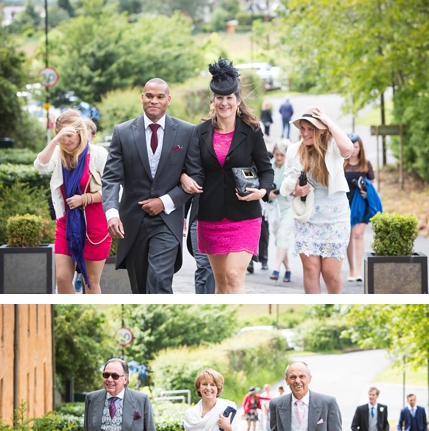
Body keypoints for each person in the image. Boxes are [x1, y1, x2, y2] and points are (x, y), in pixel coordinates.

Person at [182, 58, 274, 294]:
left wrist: (262, 191)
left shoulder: (252, 131)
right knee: (221, 282)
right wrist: (184, 176)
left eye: (229, 98)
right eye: (219, 98)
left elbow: (266, 169)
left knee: (234, 276)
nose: (224, 103)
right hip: (210, 216)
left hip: (244, 214)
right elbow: (192, 168)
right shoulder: (199, 132)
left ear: (238, 100)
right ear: (213, 101)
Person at [102, 78, 195, 294]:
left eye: (160, 96)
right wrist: (112, 214)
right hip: (132, 223)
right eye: (149, 96)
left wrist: (164, 202)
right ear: (142, 98)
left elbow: (196, 176)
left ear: (168, 100)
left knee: (160, 281)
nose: (154, 100)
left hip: (167, 220)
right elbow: (111, 178)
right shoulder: (122, 132)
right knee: (140, 288)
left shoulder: (187, 131)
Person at [34, 109, 110, 294]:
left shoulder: (98, 153)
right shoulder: (59, 154)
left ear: (81, 132)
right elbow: (40, 166)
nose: (66, 142)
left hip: (95, 225)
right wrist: (54, 140)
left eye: (70, 136)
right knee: (62, 277)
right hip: (66, 224)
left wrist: (85, 198)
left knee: (90, 280)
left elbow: (114, 189)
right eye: (62, 137)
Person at [280, 106, 354, 294]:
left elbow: (348, 148)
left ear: (321, 130)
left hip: (335, 217)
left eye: (310, 129)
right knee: (311, 270)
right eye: (302, 129)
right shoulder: (294, 151)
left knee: (331, 274)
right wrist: (296, 191)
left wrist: (328, 122)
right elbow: (287, 186)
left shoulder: (333, 147)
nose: (305, 133)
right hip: (307, 217)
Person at [343, 133, 376, 282]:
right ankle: (350, 269)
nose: (354, 150)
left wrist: (368, 193)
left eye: (356, 147)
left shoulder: (366, 164)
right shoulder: (341, 163)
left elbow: (373, 183)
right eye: (352, 146)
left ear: (360, 148)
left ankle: (358, 271)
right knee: (348, 236)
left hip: (361, 203)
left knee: (358, 235)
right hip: (345, 203)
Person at [268, 139, 294, 283]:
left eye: (281, 155)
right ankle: (288, 270)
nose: (278, 158)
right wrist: (268, 194)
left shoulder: (290, 168)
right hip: (274, 209)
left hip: (288, 208)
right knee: (279, 241)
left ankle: (276, 269)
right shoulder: (270, 166)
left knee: (283, 236)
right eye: (277, 154)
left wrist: (277, 192)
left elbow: (290, 187)